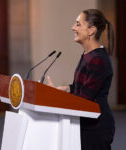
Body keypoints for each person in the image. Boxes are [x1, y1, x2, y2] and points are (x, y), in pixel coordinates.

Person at [47, 9, 115, 150]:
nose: (73, 27)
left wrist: (57, 98)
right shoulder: (88, 55)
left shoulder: (98, 59)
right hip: (87, 124)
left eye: (78, 24)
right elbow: (84, 87)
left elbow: (84, 99)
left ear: (91, 30)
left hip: (95, 128)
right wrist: (66, 89)